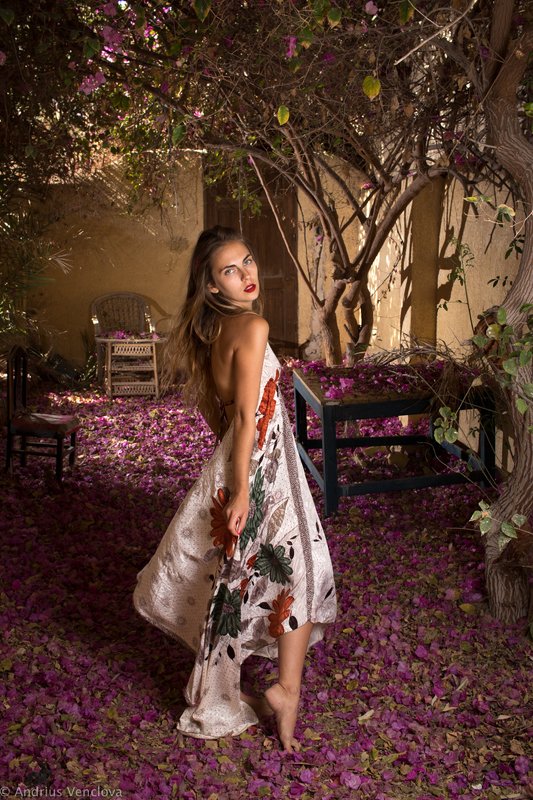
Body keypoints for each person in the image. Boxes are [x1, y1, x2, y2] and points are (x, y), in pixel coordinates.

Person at [133, 226, 337, 752]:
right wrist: (244, 488)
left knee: (261, 572)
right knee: (305, 568)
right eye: (231, 270)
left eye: (248, 261)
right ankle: (287, 690)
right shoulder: (252, 326)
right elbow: (247, 415)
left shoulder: (210, 337)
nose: (248, 275)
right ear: (213, 286)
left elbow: (219, 413)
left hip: (241, 461)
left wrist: (232, 471)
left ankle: (283, 692)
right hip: (263, 468)